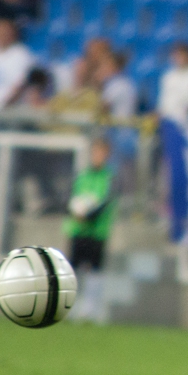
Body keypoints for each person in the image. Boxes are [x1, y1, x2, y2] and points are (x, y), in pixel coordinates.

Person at [64, 137, 115, 324]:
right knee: (74, 268)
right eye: (96, 152)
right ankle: (71, 308)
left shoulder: (109, 177)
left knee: (95, 270)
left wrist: (87, 214)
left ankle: (91, 310)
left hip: (97, 230)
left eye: (102, 153)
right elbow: (71, 197)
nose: (98, 157)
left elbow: (105, 202)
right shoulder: (82, 175)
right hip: (78, 229)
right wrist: (74, 211)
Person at [158, 42, 188, 122]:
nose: (179, 58)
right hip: (168, 119)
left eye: (182, 55)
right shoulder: (168, 76)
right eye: (176, 55)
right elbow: (164, 100)